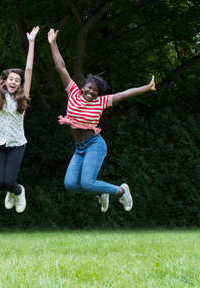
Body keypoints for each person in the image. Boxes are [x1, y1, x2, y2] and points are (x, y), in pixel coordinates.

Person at [47, 28, 156, 213]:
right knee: (70, 184)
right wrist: (53, 44)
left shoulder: (101, 101)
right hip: (79, 148)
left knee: (87, 182)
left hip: (94, 145)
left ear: (99, 93)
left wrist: (147, 87)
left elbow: (124, 94)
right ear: (83, 87)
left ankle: (121, 191)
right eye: (89, 88)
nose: (91, 92)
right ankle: (101, 193)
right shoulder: (73, 92)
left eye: (95, 90)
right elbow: (61, 68)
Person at [0, 18, 39, 213]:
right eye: (11, 79)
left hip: (16, 144)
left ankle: (18, 190)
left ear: (20, 84)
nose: (14, 81)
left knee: (8, 180)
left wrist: (31, 43)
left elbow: (29, 70)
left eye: (18, 80)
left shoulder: (23, 97)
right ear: (4, 81)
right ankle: (13, 190)